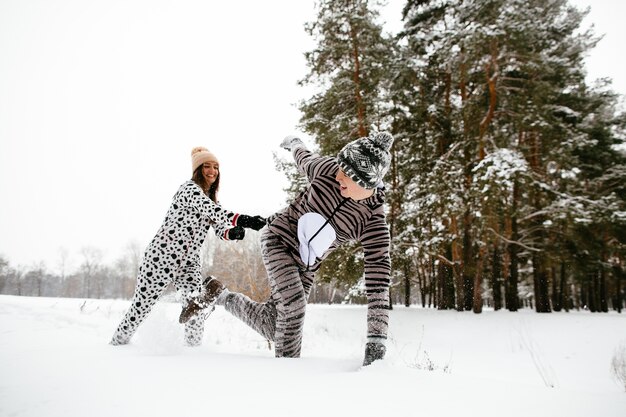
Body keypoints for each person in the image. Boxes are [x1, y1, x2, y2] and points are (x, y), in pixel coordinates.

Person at [180, 132, 393, 365]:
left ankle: (219, 294)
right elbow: (304, 157)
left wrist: (376, 340)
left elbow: (378, 286)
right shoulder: (326, 169)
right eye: (339, 166)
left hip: (306, 264)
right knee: (294, 308)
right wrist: (294, 143)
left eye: (347, 173)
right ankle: (287, 377)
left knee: (275, 326)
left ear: (365, 182)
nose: (338, 174)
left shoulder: (373, 221)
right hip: (278, 239)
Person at [110, 146, 266, 346]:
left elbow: (219, 228)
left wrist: (232, 232)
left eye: (215, 167)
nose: (212, 171)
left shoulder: (213, 201)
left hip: (189, 262)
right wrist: (244, 219)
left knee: (195, 310)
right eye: (206, 166)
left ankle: (192, 353)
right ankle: (117, 345)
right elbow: (211, 210)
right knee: (141, 308)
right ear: (197, 170)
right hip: (162, 256)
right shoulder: (189, 189)